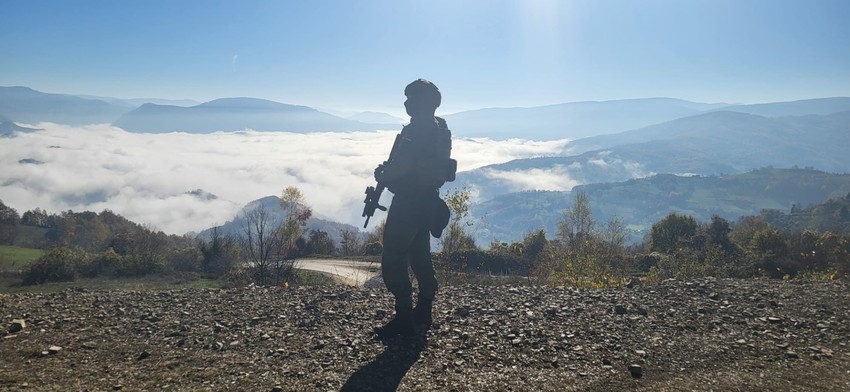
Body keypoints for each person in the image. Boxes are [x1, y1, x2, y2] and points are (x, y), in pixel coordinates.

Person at [373, 79, 455, 338]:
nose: (406, 103)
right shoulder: (441, 128)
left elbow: (402, 167)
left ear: (421, 102)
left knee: (394, 257)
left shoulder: (416, 129)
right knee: (420, 254)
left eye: (410, 98)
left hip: (408, 202)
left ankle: (404, 316)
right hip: (428, 201)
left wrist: (382, 174)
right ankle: (424, 310)